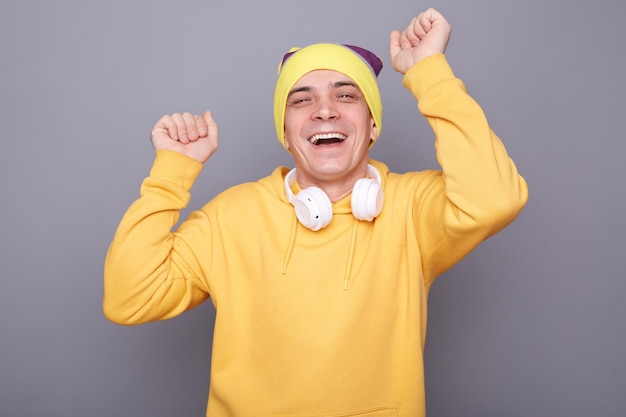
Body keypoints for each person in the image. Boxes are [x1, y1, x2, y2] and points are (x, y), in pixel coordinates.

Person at [104, 7, 528, 417]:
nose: (325, 110)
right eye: (301, 100)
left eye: (346, 95)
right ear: (286, 135)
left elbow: (495, 199)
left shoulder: (411, 208)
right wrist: (171, 174)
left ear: (373, 124)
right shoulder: (231, 217)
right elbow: (130, 299)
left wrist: (429, 71)